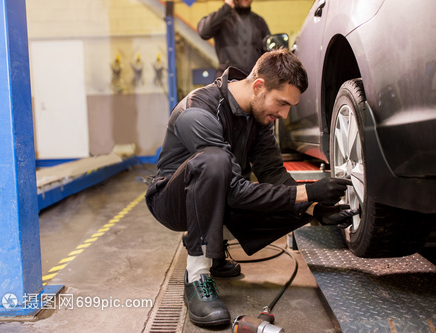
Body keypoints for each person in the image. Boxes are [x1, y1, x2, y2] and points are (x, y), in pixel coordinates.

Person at [145, 49, 356, 327]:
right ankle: (196, 277)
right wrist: (310, 192)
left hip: (220, 196)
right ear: (258, 86)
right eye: (281, 103)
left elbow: (274, 175)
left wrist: (315, 209)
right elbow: (232, 190)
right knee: (216, 161)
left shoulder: (258, 119)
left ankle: (215, 251)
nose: (283, 113)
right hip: (173, 204)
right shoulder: (199, 110)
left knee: (290, 199)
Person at [197, 0, 270, 77]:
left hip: (253, 80)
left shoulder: (259, 21)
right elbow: (203, 32)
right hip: (227, 80)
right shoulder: (222, 18)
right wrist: (227, 7)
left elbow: (268, 52)